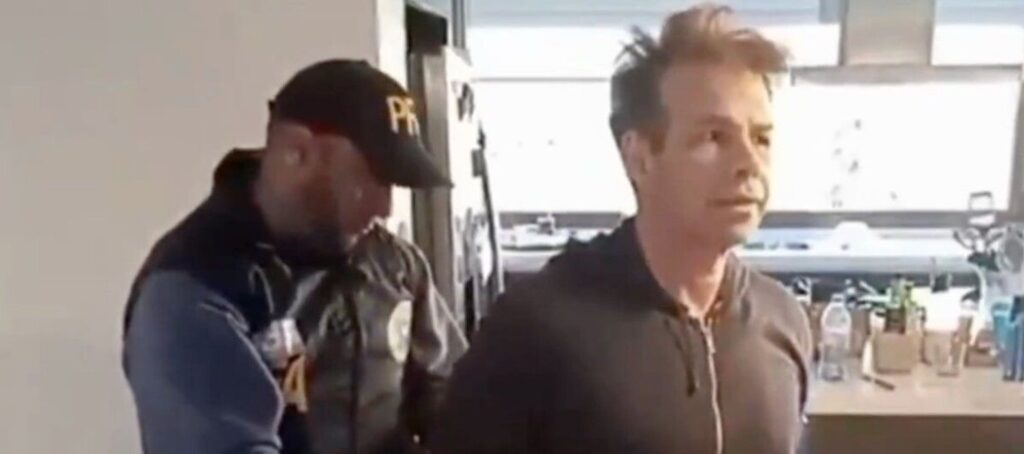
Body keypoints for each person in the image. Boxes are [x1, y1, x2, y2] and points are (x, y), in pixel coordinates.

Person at [433, 5, 812, 454]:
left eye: (761, 138)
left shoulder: (783, 321)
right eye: (714, 137)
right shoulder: (534, 328)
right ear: (640, 157)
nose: (749, 163)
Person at [122, 60, 467, 454]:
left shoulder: (395, 265)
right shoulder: (192, 287)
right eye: (368, 178)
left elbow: (451, 397)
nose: (384, 207)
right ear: (297, 153)